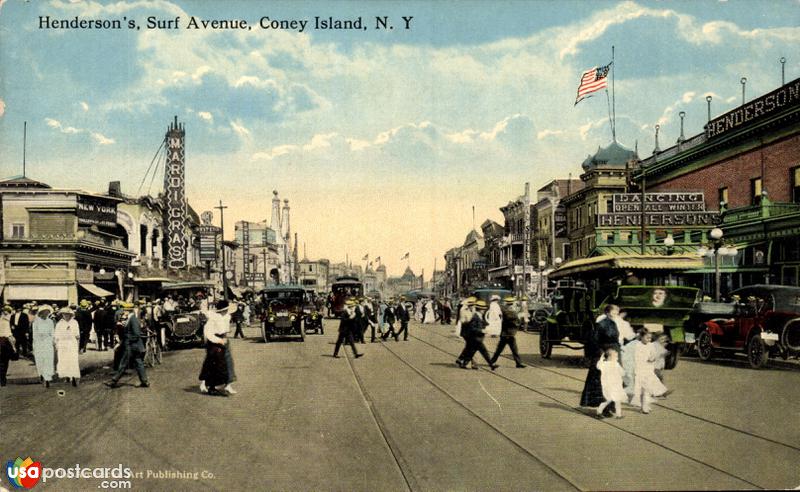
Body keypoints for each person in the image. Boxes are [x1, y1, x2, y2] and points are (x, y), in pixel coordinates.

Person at [580, 304, 620, 412]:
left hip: (613, 355)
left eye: (617, 311)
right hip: (603, 356)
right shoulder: (601, 325)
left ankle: (610, 406)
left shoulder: (613, 324)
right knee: (601, 382)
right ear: (607, 313)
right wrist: (604, 353)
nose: (616, 313)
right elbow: (594, 341)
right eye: (614, 311)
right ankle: (604, 407)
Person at [106, 308, 149, 389]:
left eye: (124, 311)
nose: (123, 313)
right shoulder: (131, 319)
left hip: (132, 346)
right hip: (135, 346)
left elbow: (136, 334)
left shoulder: (133, 320)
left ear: (128, 311)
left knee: (123, 363)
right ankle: (145, 381)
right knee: (139, 363)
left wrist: (127, 341)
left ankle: (114, 381)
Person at [631, 331, 667, 414]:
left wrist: (652, 358)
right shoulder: (637, 345)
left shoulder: (651, 345)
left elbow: (654, 355)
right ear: (641, 337)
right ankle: (643, 405)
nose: (649, 339)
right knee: (642, 388)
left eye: (650, 338)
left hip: (649, 369)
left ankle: (645, 405)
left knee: (648, 388)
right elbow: (636, 357)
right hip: (640, 369)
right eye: (647, 337)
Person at [458, 300, 498, 370]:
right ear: (480, 309)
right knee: (484, 352)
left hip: (477, 338)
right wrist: (481, 330)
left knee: (472, 352)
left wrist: (488, 325)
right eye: (483, 309)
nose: (484, 311)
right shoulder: (475, 317)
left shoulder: (479, 316)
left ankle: (464, 363)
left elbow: (481, 323)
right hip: (476, 338)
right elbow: (472, 328)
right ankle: (491, 364)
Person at [199, 306, 230, 396]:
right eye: (224, 310)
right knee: (214, 365)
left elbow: (223, 331)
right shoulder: (213, 320)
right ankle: (213, 387)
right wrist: (219, 340)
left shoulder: (222, 318)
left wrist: (223, 338)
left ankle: (217, 386)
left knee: (221, 364)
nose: (226, 312)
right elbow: (208, 334)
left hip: (219, 343)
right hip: (214, 344)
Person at [490, 296, 525, 368]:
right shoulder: (507, 311)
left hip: (507, 334)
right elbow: (513, 321)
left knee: (503, 350)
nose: (512, 306)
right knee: (511, 350)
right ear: (511, 304)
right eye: (512, 304)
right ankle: (518, 363)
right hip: (508, 334)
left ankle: (518, 363)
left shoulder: (506, 310)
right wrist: (518, 317)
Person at [54, 307, 81, 386]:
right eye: (64, 314)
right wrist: (56, 344)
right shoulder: (60, 323)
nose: (65, 316)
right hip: (63, 344)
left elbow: (77, 335)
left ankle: (73, 376)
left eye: (67, 314)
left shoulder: (74, 322)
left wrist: (78, 345)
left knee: (72, 359)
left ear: (70, 315)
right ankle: (66, 376)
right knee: (64, 360)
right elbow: (56, 335)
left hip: (72, 343)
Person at [596, 347, 626, 419]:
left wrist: (601, 358)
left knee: (611, 400)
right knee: (615, 399)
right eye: (615, 356)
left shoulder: (604, 364)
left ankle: (618, 414)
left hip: (608, 385)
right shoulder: (616, 364)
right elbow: (623, 373)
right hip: (614, 385)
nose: (617, 358)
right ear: (610, 357)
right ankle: (600, 411)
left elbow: (598, 366)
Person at [32, 305, 55, 388]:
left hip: (48, 341)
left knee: (48, 359)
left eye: (47, 312)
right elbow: (34, 334)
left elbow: (52, 332)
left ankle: (48, 377)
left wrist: (53, 340)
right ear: (41, 313)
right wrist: (35, 343)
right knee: (40, 359)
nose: (46, 314)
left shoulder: (50, 321)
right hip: (39, 342)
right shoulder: (36, 322)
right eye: (44, 312)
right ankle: (41, 374)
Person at [0, 305, 18, 386]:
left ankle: (2, 378)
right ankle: (2, 379)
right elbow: (9, 335)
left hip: (3, 342)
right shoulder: (6, 322)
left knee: (2, 361)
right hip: (4, 343)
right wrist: (14, 347)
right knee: (4, 361)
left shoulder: (2, 320)